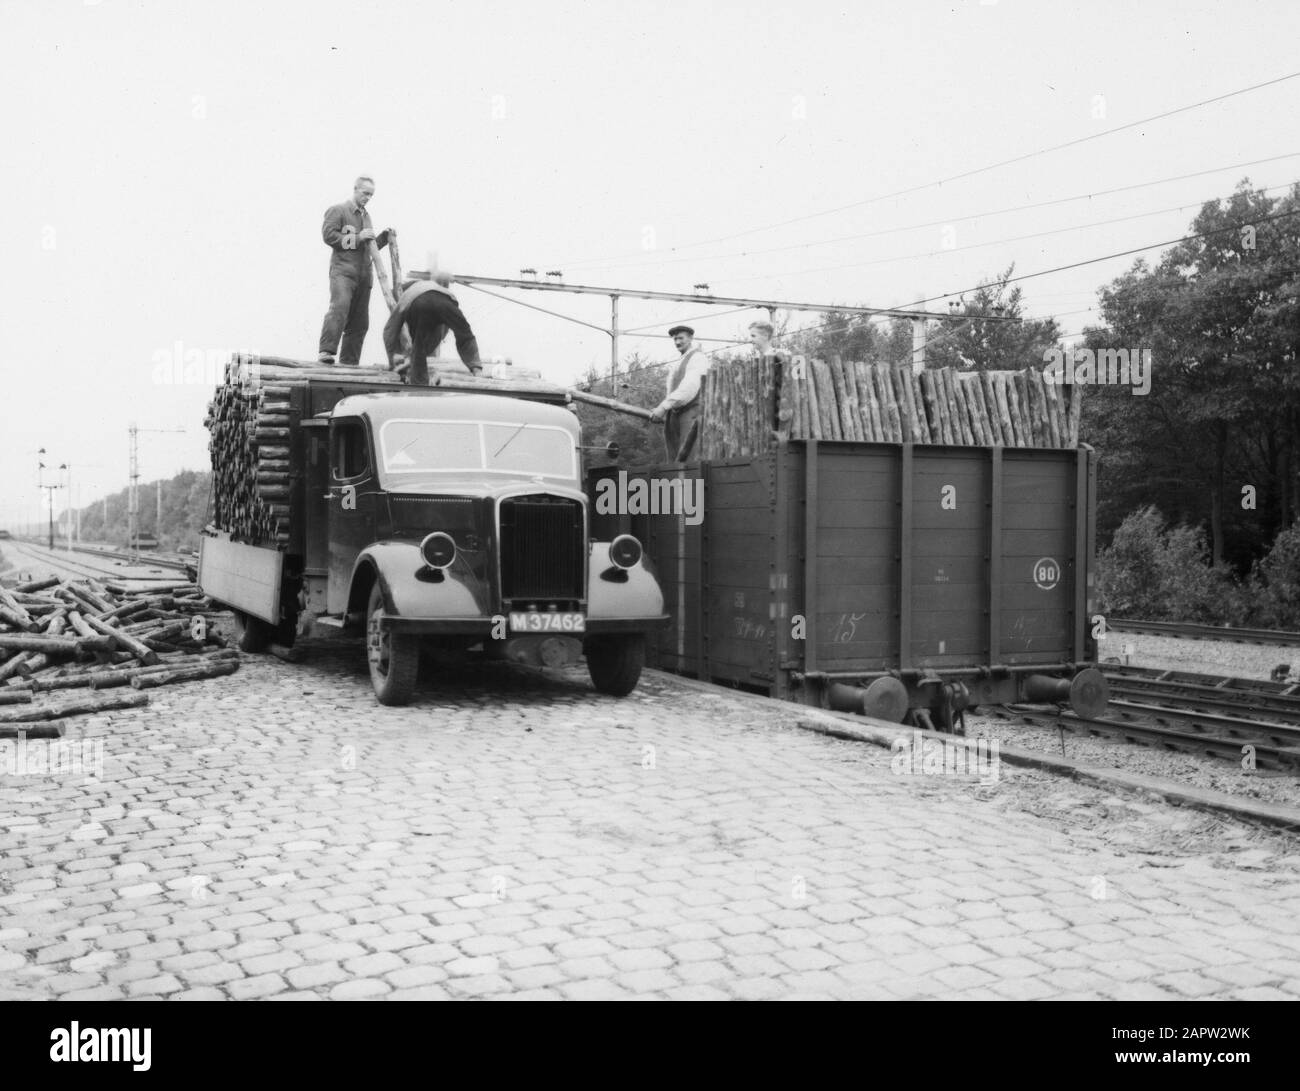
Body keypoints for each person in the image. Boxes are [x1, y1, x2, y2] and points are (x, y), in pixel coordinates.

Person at [317, 176, 394, 366]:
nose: (368, 197)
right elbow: (329, 236)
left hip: (364, 275)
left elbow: (368, 247)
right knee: (340, 308)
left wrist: (383, 238)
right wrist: (358, 237)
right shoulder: (339, 210)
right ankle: (326, 352)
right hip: (343, 271)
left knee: (360, 322)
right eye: (365, 193)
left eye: (371, 195)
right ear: (355, 189)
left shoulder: (366, 216)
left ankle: (349, 363)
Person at [383, 274, 483, 385]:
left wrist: (392, 362)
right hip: (446, 302)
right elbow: (461, 333)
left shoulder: (405, 298)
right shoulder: (434, 287)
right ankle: (476, 369)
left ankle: (419, 383)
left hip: (420, 303)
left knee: (418, 345)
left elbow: (390, 331)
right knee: (464, 332)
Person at [649, 325, 710, 461]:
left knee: (689, 457)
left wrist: (664, 407)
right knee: (675, 457)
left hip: (691, 414)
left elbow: (688, 388)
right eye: (675, 339)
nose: (677, 342)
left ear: (690, 338)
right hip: (675, 415)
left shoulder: (698, 358)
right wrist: (663, 409)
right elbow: (672, 390)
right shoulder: (678, 361)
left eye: (681, 338)